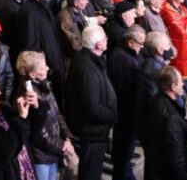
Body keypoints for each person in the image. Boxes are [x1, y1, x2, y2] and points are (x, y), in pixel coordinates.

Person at [65, 26, 117, 180]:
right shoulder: (87, 69)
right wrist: (112, 116)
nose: (107, 40)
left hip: (95, 130)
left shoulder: (91, 60)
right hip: (91, 131)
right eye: (104, 38)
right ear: (98, 45)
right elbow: (91, 107)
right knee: (90, 174)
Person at [14, 50, 73, 180]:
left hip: (52, 152)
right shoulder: (26, 95)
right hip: (40, 156)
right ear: (33, 74)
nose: (47, 68)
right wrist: (62, 146)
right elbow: (38, 134)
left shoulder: (45, 87)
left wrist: (67, 137)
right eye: (42, 66)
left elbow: (58, 114)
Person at [140, 66, 187, 180]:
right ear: (173, 86)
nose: (183, 85)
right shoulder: (171, 116)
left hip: (153, 170)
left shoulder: (152, 102)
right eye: (181, 82)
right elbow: (176, 155)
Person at [16, 0, 64, 100]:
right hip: (44, 70)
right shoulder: (29, 13)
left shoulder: (44, 7)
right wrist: (43, 68)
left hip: (55, 63)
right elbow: (30, 46)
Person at [108, 25, 145, 180]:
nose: (142, 47)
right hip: (126, 112)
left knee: (125, 152)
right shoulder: (122, 58)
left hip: (129, 112)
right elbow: (126, 89)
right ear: (130, 42)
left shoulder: (130, 54)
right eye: (140, 43)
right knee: (123, 151)